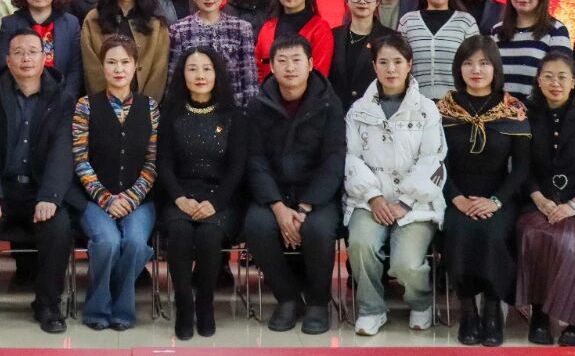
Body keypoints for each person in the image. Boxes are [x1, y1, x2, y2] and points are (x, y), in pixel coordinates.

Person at [0, 29, 75, 336]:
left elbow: (63, 150)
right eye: (18, 52)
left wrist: (50, 196)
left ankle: (48, 305)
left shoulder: (63, 98)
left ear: (44, 58)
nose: (25, 58)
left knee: (59, 226)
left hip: (39, 190)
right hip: (1, 188)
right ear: (7, 60)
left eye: (32, 51)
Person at [345, 33, 447, 336]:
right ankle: (371, 309)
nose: (391, 69)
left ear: (409, 64)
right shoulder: (358, 110)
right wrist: (374, 197)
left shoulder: (427, 109)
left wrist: (404, 202)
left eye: (398, 62)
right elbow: (351, 157)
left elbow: (433, 159)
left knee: (406, 263)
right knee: (360, 245)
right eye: (384, 62)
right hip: (370, 200)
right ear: (374, 66)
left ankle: (420, 302)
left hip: (415, 202)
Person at [244, 35, 345, 335]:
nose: (290, 68)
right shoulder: (258, 105)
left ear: (311, 64)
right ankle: (287, 298)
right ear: (272, 67)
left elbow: (334, 159)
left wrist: (304, 207)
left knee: (318, 229)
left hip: (316, 195)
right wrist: (277, 207)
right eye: (282, 61)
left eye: (297, 60)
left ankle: (318, 302)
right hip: (274, 193)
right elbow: (255, 160)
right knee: (257, 226)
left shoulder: (329, 102)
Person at [438, 34, 531, 347]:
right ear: (459, 68)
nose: (476, 70)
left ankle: (492, 309)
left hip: (500, 195)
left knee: (493, 233)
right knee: (458, 231)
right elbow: (434, 162)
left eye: (483, 63)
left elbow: (521, 168)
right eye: (468, 63)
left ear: (496, 68)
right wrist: (456, 197)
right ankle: (468, 311)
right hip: (455, 194)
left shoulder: (513, 108)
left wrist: (496, 201)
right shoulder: (443, 109)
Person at [515, 48, 575, 347]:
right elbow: (521, 165)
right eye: (548, 76)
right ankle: (540, 314)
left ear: (573, 82)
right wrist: (539, 199)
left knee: (570, 238)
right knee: (534, 232)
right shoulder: (526, 115)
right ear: (538, 81)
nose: (555, 83)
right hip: (537, 200)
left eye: (562, 77)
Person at [70, 35, 160, 331]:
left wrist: (130, 199)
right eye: (111, 62)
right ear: (102, 66)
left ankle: (121, 308)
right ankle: (98, 307)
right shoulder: (85, 106)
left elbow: (152, 162)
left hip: (140, 201)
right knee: (107, 242)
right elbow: (80, 159)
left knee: (134, 243)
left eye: (125, 62)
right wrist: (106, 198)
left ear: (135, 66)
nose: (118, 69)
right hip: (94, 199)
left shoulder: (150, 107)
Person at [159, 45, 247, 339]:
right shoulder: (170, 114)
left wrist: (216, 202)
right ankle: (184, 304)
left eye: (207, 69)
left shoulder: (233, 116)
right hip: (180, 195)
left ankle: (205, 304)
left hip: (221, 197)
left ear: (217, 73)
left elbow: (236, 168)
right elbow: (164, 164)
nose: (200, 75)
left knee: (209, 235)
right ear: (182, 75)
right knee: (180, 233)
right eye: (192, 68)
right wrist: (179, 198)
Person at [81, 0, 170, 100]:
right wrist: (108, 103)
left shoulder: (155, 22)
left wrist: (144, 105)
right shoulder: (94, 19)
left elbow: (159, 71)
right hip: (103, 104)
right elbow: (92, 69)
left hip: (145, 106)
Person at [167, 0, 257, 107]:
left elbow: (249, 79)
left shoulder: (241, 28)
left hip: (232, 109)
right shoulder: (179, 30)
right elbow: (174, 79)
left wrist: (249, 113)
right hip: (192, 109)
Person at [0, 0, 84, 100]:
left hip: (61, 99)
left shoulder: (71, 24)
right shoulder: (10, 24)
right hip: (20, 100)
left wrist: (66, 100)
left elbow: (75, 70)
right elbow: (4, 66)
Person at [398, 0, 479, 100]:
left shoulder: (466, 22)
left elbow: (476, 66)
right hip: (415, 104)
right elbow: (399, 65)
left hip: (457, 105)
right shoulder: (407, 22)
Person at [491, 0, 572, 100]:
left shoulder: (556, 31)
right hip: (501, 110)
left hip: (538, 110)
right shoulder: (497, 31)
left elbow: (562, 79)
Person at [254, 0, 333, 83]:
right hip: (267, 94)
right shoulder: (267, 28)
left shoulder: (320, 28)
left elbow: (319, 75)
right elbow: (257, 69)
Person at [329, 0, 395, 111]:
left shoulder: (390, 38)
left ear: (378, 1)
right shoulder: (333, 36)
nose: (362, 1)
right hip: (336, 114)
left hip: (375, 113)